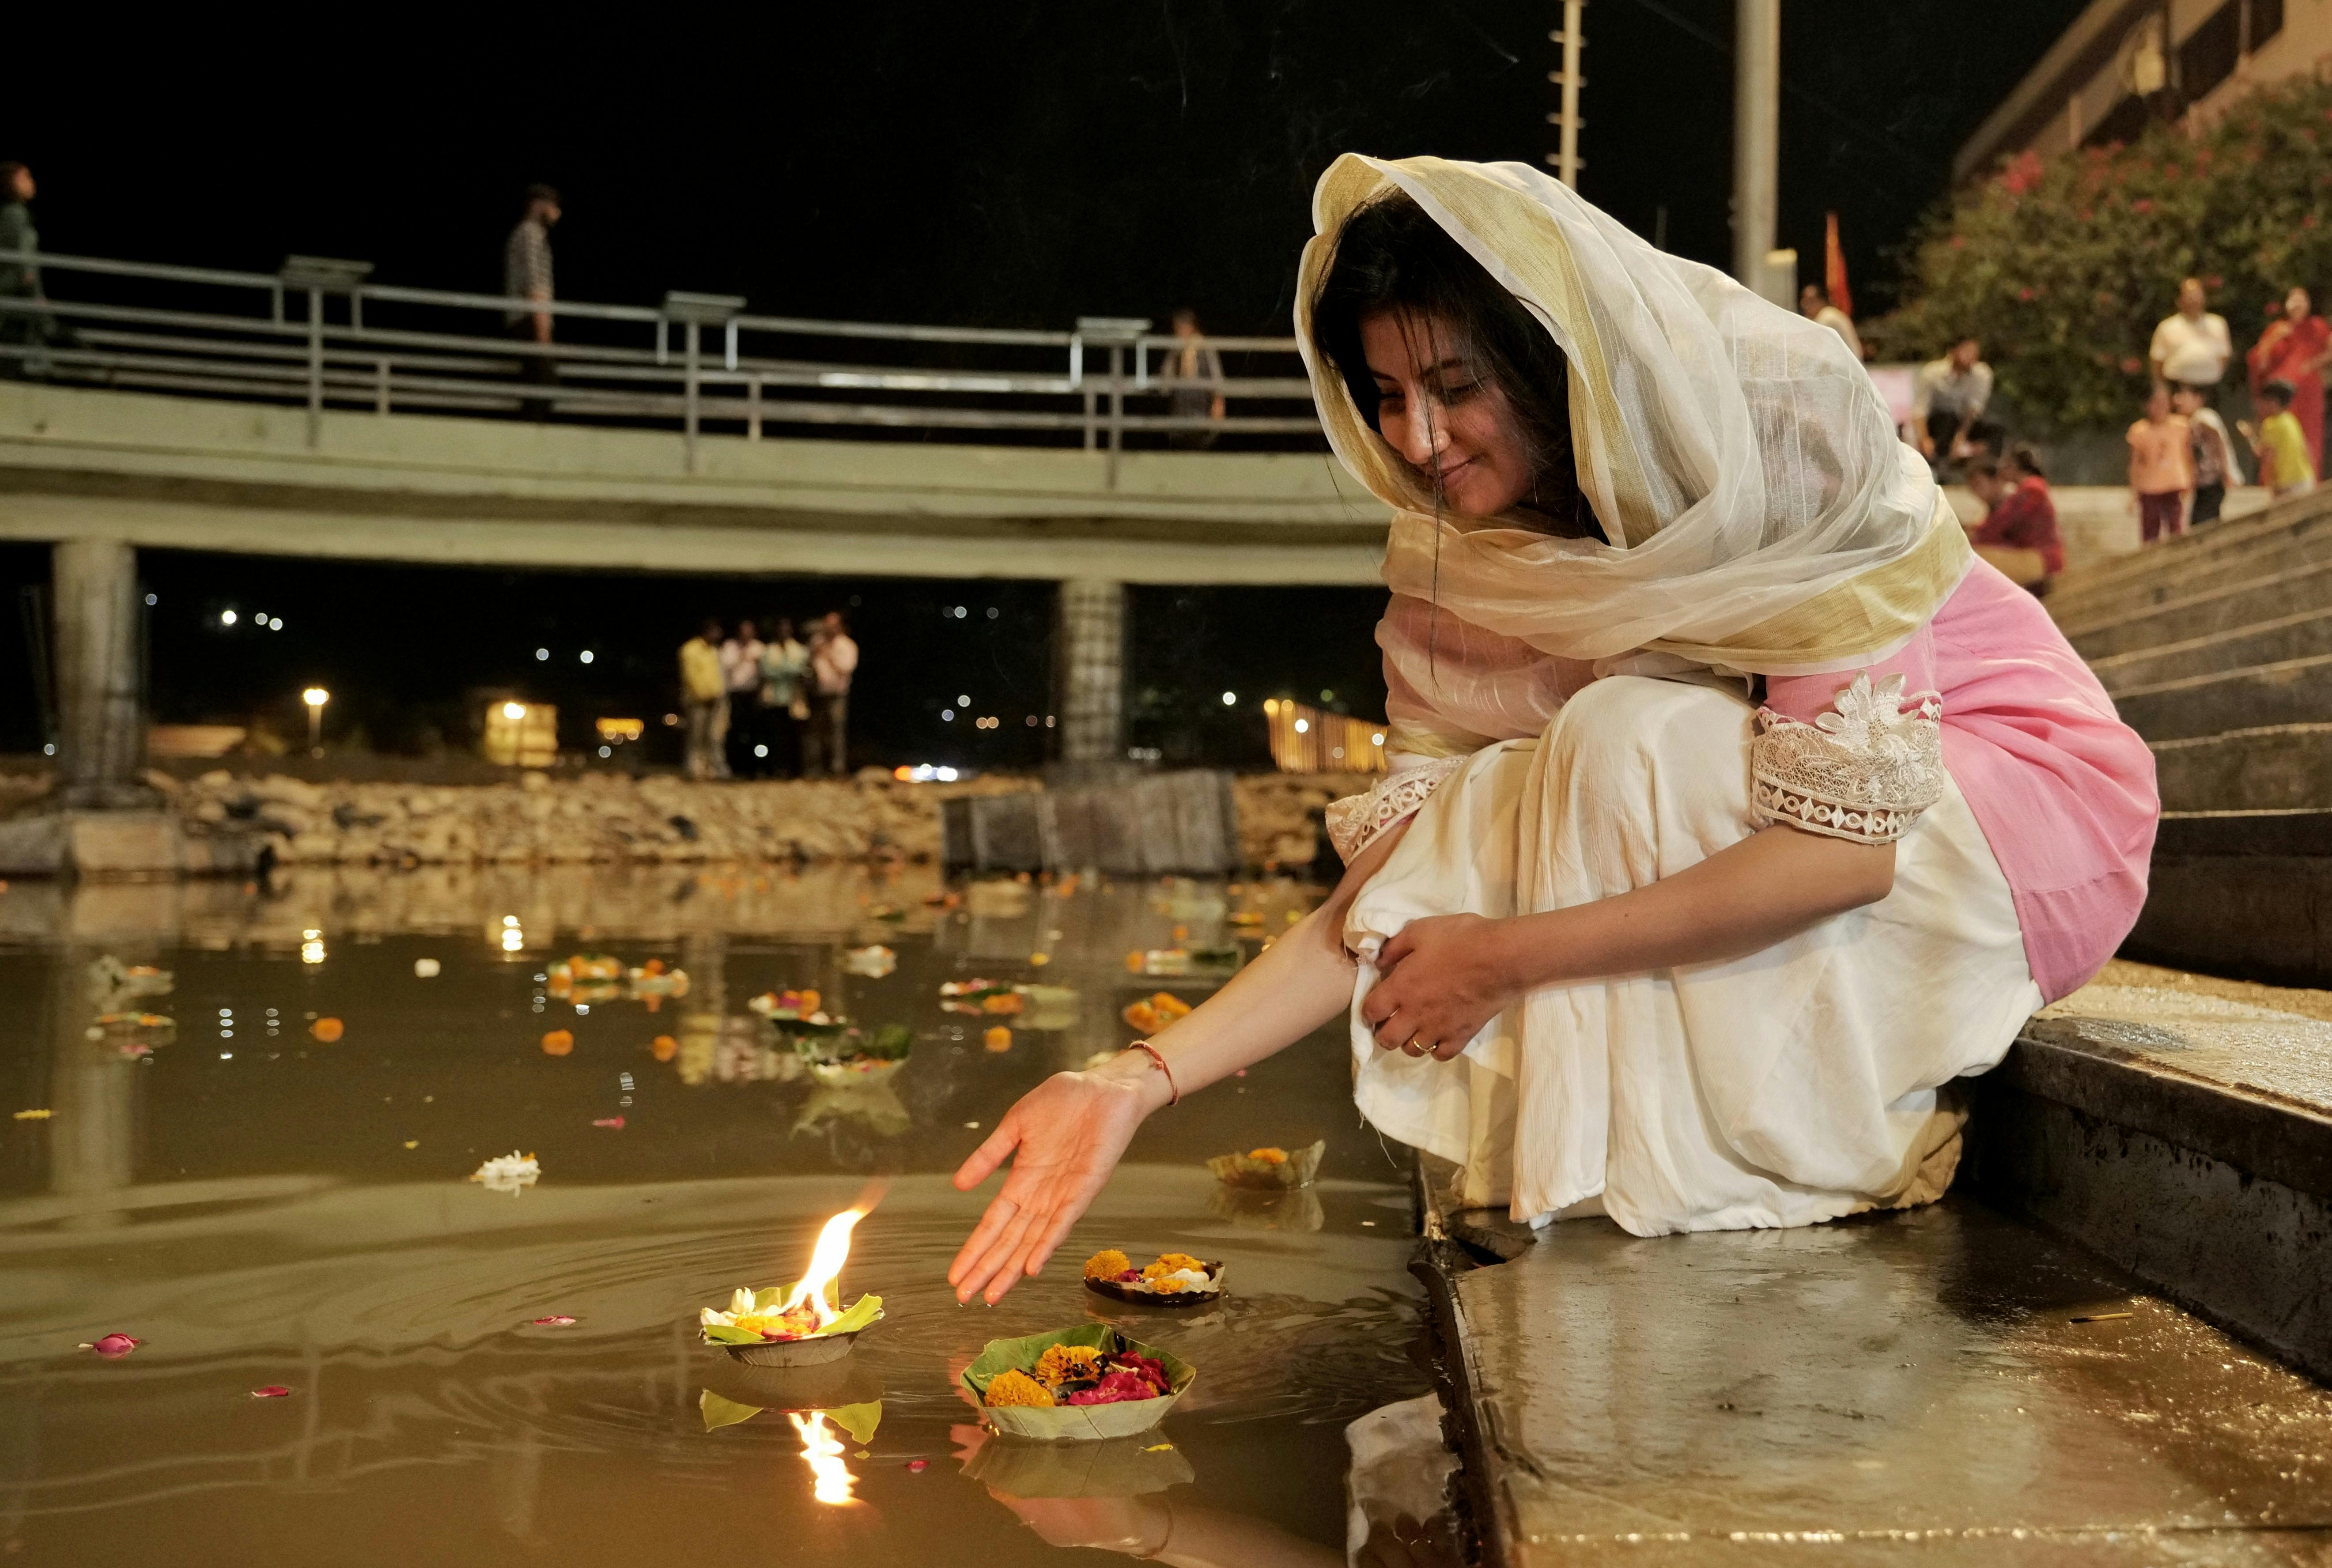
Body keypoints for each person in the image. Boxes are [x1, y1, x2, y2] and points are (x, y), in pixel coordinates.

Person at [945, 155, 2156, 1306]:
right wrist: (1135, 1078)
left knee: (1621, 732)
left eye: (1457, 386)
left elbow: (1844, 852)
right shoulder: (1452, 571)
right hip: (1776, 835)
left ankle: (1857, 1141)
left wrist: (1507, 953)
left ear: (1546, 360)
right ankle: (1654, 1172)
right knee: (1512, 783)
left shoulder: (1773, 443)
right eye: (1387, 396)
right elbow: (1389, 886)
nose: (1418, 440)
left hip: (2005, 820)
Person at [2245, 287, 2327, 482]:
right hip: (2280, 396)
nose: (2298, 303)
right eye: (2294, 299)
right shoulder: (2276, 328)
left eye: (2302, 299)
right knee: (2276, 436)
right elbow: (2258, 360)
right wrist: (2275, 338)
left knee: (2308, 437)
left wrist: (2314, 364)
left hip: (2307, 394)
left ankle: (2309, 481)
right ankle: (2275, 482)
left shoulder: (2317, 326)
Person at [1962, 446, 2062, 589]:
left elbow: (2002, 522)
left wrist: (1974, 535)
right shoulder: (2029, 489)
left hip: (2041, 559)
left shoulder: (2033, 489)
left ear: (2014, 467)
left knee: (1973, 559)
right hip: (2035, 555)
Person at [503, 184, 561, 417]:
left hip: (528, 320)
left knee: (536, 384)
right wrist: (543, 329)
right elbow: (534, 284)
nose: (557, 212)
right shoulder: (530, 233)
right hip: (529, 320)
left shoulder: (529, 234)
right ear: (539, 205)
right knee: (545, 385)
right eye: (553, 205)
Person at [1909, 337, 1994, 472]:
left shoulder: (1982, 374)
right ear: (1954, 352)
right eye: (1967, 351)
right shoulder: (1932, 372)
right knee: (1946, 418)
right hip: (1938, 423)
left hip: (1965, 424)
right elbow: (1920, 409)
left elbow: (1974, 409)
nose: (1972, 356)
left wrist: (1961, 437)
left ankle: (1989, 472)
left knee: (1994, 428)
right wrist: (1924, 439)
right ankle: (1940, 466)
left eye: (1975, 352)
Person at [0, 161, 52, 380]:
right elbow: (24, 262)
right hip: (16, 298)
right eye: (25, 178)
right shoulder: (14, 215)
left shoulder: (15, 214)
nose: (32, 183)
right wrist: (35, 295)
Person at [2127, 384, 2193, 545]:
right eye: (2155, 403)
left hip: (2174, 484)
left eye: (2164, 402)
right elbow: (2135, 463)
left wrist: (2191, 479)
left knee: (2176, 531)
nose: (2160, 408)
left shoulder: (2181, 426)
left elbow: (2187, 455)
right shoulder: (2139, 430)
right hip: (2150, 487)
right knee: (2150, 534)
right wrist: (2134, 491)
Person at [2148, 276, 2232, 392]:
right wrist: (2161, 389)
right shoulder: (2167, 327)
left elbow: (2224, 357)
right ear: (2180, 300)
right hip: (2178, 388)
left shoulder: (2218, 324)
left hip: (2209, 388)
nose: (2194, 300)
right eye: (2190, 296)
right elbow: (2157, 361)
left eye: (2197, 295)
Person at [2173, 382, 2238, 527]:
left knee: (2203, 522)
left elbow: (2218, 444)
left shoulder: (2203, 418)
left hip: (2213, 479)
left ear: (2199, 399)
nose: (2177, 400)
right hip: (2205, 481)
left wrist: (2226, 472)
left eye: (2183, 396)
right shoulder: (2194, 420)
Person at [2239, 379, 2318, 498]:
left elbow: (2266, 457)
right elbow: (2306, 449)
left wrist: (2249, 436)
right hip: (2305, 480)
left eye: (2263, 402)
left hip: (2288, 487)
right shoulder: (2291, 419)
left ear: (2273, 403)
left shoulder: (2271, 424)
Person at [804, 611, 859, 777]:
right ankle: (814, 769)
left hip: (837, 695)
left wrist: (828, 654)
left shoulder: (847, 645)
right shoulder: (817, 642)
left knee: (835, 732)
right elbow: (808, 664)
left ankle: (837, 768)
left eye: (832, 625)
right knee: (814, 733)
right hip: (817, 694)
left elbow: (846, 668)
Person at [1165, 307, 1227, 449]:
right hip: (1180, 411)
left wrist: (1218, 401)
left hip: (1202, 409)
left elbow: (1217, 378)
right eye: (1178, 327)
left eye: (1184, 326)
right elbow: (1166, 383)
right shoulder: (1175, 351)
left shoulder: (1206, 348)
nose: (1181, 331)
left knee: (1201, 446)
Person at [758, 617, 812, 778]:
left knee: (794, 737)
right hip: (774, 701)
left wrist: (781, 669)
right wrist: (790, 670)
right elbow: (767, 671)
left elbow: (802, 669)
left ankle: (795, 770)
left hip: (795, 701)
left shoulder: (800, 649)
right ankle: (775, 769)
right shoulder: (769, 650)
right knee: (775, 738)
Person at [679, 619, 728, 781]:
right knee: (697, 736)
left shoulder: (714, 651)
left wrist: (719, 694)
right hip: (697, 701)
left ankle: (714, 770)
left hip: (715, 701)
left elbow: (718, 675)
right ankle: (694, 770)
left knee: (714, 737)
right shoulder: (690, 650)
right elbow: (691, 677)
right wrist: (705, 696)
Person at [719, 618, 766, 777]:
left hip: (753, 694)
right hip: (735, 694)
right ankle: (735, 766)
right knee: (735, 730)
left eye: (749, 630)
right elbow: (726, 666)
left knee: (755, 732)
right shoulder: (730, 646)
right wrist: (742, 655)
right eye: (743, 630)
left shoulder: (759, 647)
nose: (746, 633)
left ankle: (754, 768)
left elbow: (765, 671)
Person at [1798, 281, 1863, 361]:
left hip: (1847, 370)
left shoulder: (1828, 317)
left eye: (1811, 301)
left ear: (1823, 301)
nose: (1804, 304)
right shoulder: (1828, 314)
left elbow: (1810, 345)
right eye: (1803, 300)